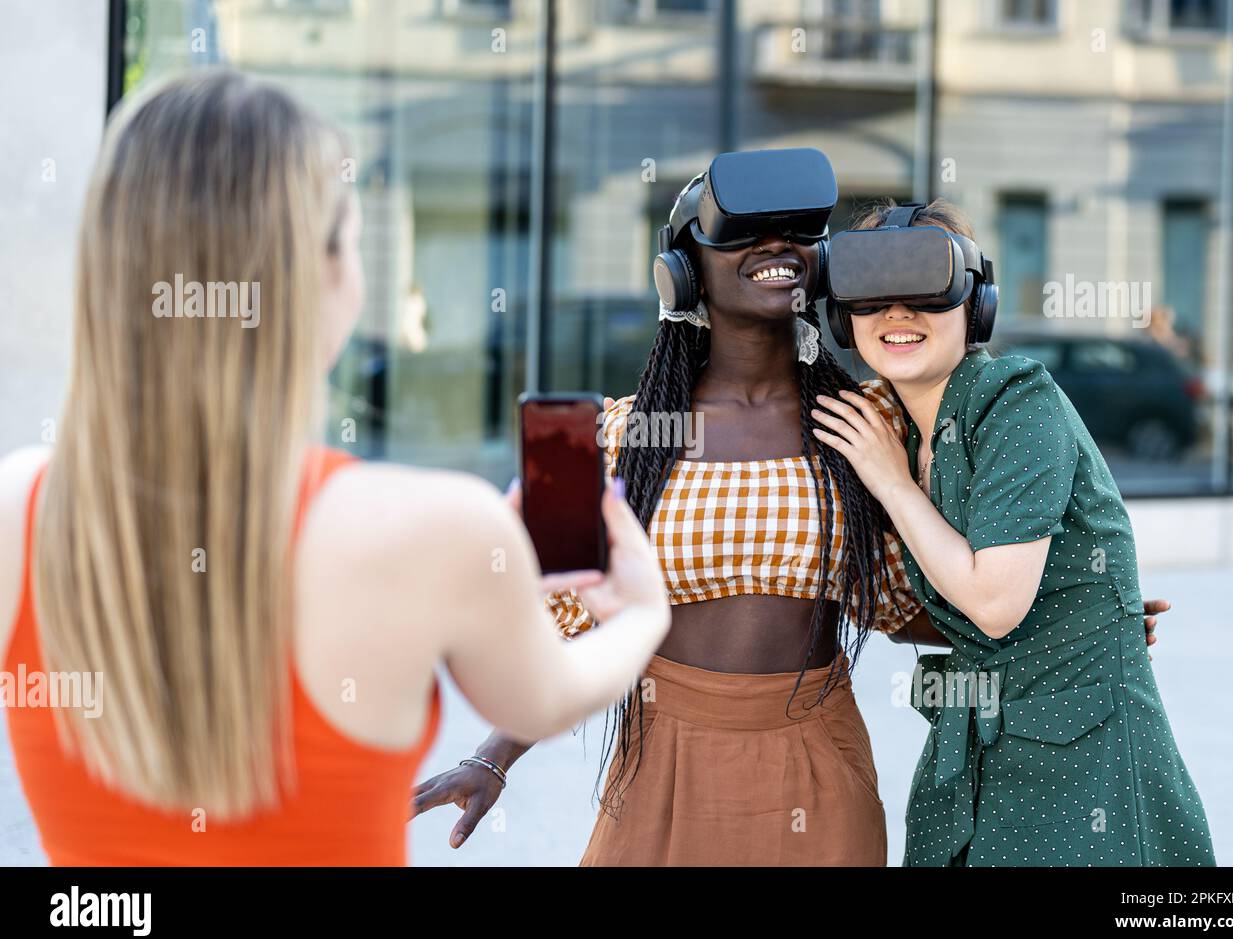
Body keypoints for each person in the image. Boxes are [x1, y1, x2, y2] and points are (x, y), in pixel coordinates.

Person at [0, 70, 669, 866]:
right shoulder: (436, 528)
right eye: (353, 237)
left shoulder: (21, 504)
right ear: (321, 272)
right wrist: (640, 612)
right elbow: (550, 692)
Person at [412, 170, 1170, 866]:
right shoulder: (620, 436)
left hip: (816, 756)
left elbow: (917, 599)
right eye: (741, 232)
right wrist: (490, 758)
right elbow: (570, 628)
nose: (775, 246)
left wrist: (1071, 619)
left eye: (797, 233)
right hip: (658, 764)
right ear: (682, 271)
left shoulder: (873, 426)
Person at [810, 198, 1215, 866]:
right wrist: (1094, 606)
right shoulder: (896, 428)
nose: (898, 314)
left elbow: (996, 605)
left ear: (978, 305)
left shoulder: (1015, 399)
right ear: (842, 318)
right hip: (975, 767)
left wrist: (890, 482)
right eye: (873, 295)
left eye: (927, 293)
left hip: (1085, 774)